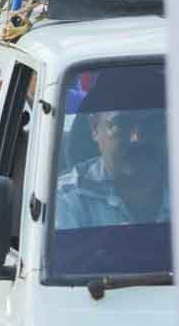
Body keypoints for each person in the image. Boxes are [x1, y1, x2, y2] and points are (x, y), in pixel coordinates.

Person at [56, 69, 168, 230]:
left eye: (152, 124)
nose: (137, 138)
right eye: (122, 124)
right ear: (95, 128)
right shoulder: (65, 201)